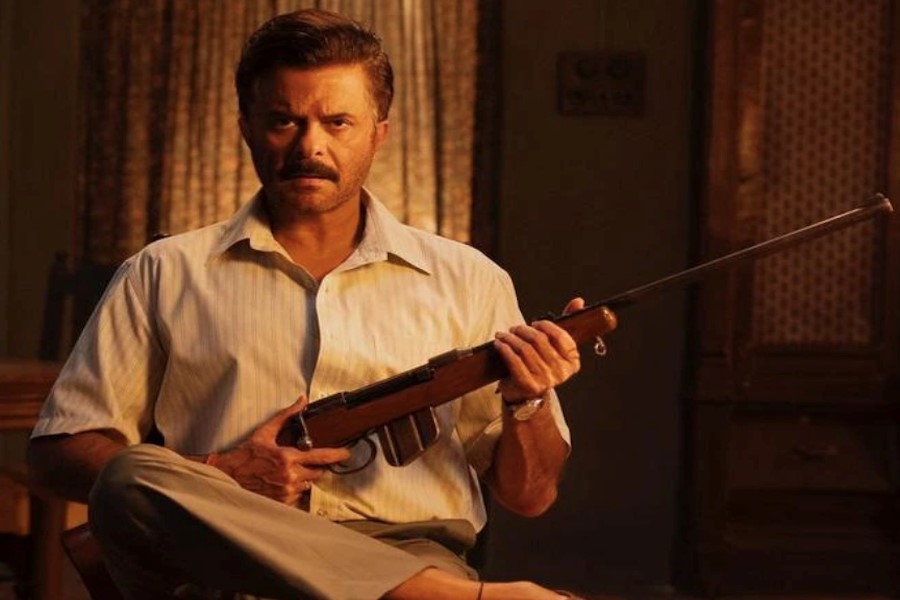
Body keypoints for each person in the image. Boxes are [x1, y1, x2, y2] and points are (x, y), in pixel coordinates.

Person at [28, 8, 616, 600]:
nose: (310, 146)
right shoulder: (161, 271)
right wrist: (219, 476)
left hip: (407, 550)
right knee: (129, 474)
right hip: (225, 565)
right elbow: (58, 454)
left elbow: (530, 496)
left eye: (338, 123)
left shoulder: (469, 279)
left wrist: (526, 400)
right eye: (284, 120)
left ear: (378, 133)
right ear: (247, 127)